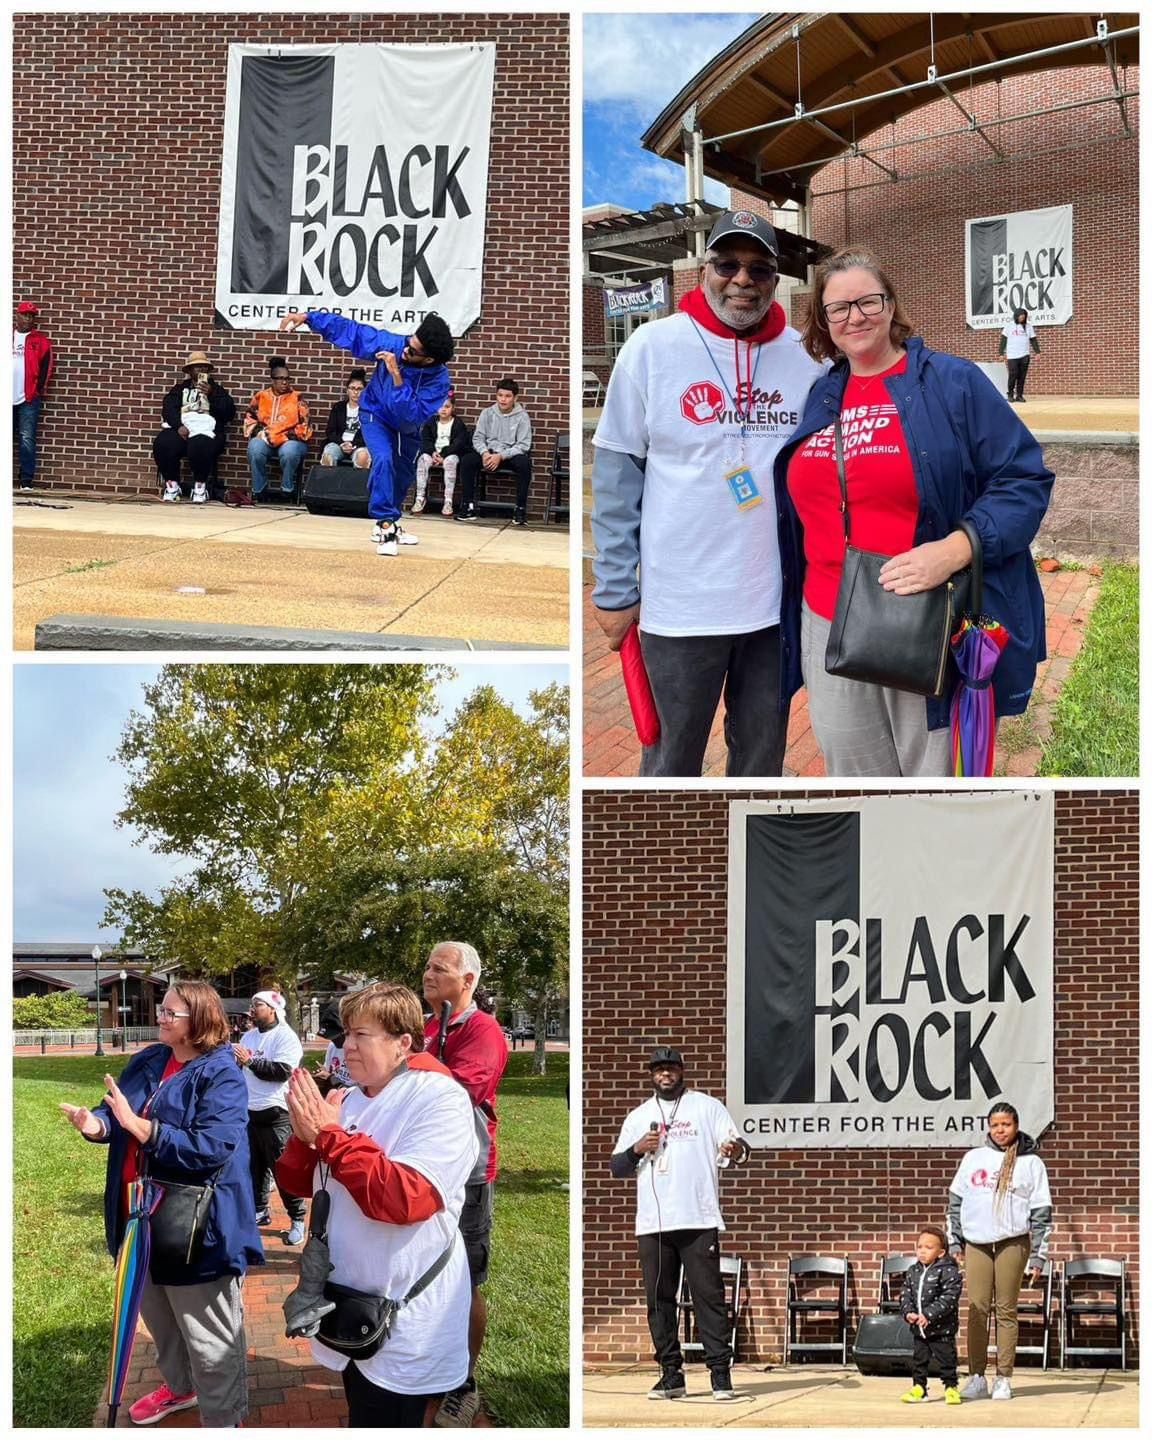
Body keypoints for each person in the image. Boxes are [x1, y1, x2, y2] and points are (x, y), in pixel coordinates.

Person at [775, 247, 1054, 777]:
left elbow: (1024, 479)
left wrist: (955, 549)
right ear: (823, 321)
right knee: (855, 783)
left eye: (867, 301)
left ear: (891, 305)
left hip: (924, 620)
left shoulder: (952, 382)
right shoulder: (821, 395)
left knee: (935, 783)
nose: (854, 316)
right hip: (827, 619)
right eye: (838, 308)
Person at [591, 210, 826, 777]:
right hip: (681, 608)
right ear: (704, 271)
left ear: (777, 279)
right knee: (671, 761)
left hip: (774, 605)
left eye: (759, 269)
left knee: (762, 760)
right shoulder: (651, 346)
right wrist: (616, 587)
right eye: (727, 264)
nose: (742, 280)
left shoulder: (807, 356)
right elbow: (618, 472)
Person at [59, 981, 262, 1427]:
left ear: (201, 1021)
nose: (162, 1018)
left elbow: (212, 1146)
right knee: (159, 1317)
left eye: (172, 1013)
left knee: (209, 1336)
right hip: (137, 1217)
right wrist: (97, 1123)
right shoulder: (150, 1059)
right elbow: (117, 1112)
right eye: (163, 1011)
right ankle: (180, 1387)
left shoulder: (222, 1072)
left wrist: (143, 1128)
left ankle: (223, 1419)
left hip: (196, 1226)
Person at [276, 982, 478, 1428]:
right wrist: (304, 1137)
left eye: (360, 1035)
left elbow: (405, 1198)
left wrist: (328, 1136)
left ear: (403, 1043)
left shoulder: (439, 1098)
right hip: (349, 1300)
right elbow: (295, 1182)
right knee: (361, 1410)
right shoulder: (345, 1099)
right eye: (345, 1034)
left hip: (405, 1308)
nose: (344, 1046)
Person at [610, 1046, 750, 1403]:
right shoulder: (639, 1116)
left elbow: (738, 1146)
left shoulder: (707, 1107)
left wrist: (734, 1150)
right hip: (653, 1223)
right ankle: (671, 1375)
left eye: (671, 1068)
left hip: (698, 1217)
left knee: (709, 1298)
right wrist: (638, 1148)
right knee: (659, 1300)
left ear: (682, 1071)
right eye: (659, 1069)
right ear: (651, 1075)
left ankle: (720, 1375)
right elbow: (617, 1168)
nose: (665, 1074)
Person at [279, 309, 454, 556]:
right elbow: (356, 334)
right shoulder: (396, 345)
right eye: (409, 341)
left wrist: (396, 375)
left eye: (413, 351)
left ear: (428, 360)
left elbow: (410, 414)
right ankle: (386, 526)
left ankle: (390, 518)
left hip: (407, 426)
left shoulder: (439, 381)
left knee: (402, 476)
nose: (406, 350)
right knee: (382, 458)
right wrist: (310, 318)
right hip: (375, 415)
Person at [421, 941, 509, 1428]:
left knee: (466, 1280)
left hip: (468, 1175)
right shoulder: (431, 1026)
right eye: (428, 966)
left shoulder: (483, 1031)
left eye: (440, 968)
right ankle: (431, 1366)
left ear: (468, 980)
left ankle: (464, 1384)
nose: (429, 974)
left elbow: (453, 1094)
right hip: (425, 1171)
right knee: (426, 1269)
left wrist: (403, 1066)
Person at [948, 1101, 1052, 1402]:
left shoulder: (1031, 1162)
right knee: (978, 1307)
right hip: (977, 1242)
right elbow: (955, 1202)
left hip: (1013, 1241)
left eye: (1005, 1124)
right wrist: (955, 1240)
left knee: (1006, 1309)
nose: (1000, 1130)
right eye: (994, 1125)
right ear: (988, 1127)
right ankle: (977, 1376)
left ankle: (1004, 1377)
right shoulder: (973, 1158)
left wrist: (1038, 1256)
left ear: (1016, 1125)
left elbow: (1042, 1212)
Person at [233, 989, 307, 1245]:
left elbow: (280, 1072)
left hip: (276, 1115)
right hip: (250, 1113)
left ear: (273, 1009)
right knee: (255, 1169)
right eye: (252, 1004)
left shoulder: (286, 1037)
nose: (253, 1009)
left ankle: (297, 1218)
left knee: (282, 1170)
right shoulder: (249, 1037)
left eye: (258, 1005)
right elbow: (239, 1067)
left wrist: (250, 1062)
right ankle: (260, 1210)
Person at [153, 351, 237, 503]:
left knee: (200, 443)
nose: (201, 370)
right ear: (190, 371)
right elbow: (168, 409)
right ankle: (172, 485)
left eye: (204, 367)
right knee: (163, 442)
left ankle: (200, 487)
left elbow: (229, 413)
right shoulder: (179, 389)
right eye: (196, 367)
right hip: (183, 429)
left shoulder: (217, 390)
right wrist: (179, 426)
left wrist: (211, 395)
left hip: (207, 432)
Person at [898, 1225, 963, 1405]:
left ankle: (951, 1388)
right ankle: (919, 1388)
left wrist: (928, 1314)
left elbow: (949, 1297)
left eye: (928, 1248)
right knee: (919, 1360)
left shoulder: (948, 1271)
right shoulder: (913, 1271)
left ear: (941, 1252)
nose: (922, 1251)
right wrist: (908, 1312)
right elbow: (905, 1293)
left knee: (947, 1360)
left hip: (942, 1329)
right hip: (919, 1329)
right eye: (919, 1247)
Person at [456, 378, 533, 526]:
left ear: (515, 398)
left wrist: (501, 456)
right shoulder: (487, 413)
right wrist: (485, 453)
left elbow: (523, 445)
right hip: (488, 453)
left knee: (525, 463)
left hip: (509, 454)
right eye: (500, 395)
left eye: (508, 396)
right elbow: (478, 438)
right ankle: (468, 505)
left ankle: (520, 509)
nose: (503, 400)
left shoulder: (522, 416)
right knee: (467, 460)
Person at [243, 356, 313, 501]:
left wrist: (279, 436)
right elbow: (250, 418)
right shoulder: (261, 396)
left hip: (291, 441)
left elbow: (305, 428)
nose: (284, 382)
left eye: (287, 378)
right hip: (266, 441)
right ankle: (259, 490)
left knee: (289, 451)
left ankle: (287, 490)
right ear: (272, 380)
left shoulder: (297, 398)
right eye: (280, 378)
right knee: (254, 448)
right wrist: (259, 432)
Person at [13, 299, 55, 490]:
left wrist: (38, 390)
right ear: (17, 315)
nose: (28, 319)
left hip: (28, 398)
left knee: (27, 438)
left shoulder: (41, 342)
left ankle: (26, 480)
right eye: (25, 315)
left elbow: (47, 368)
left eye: (31, 316)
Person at [413, 395, 469, 517]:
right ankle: (420, 497)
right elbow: (425, 440)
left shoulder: (458, 424)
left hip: (450, 454)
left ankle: (448, 501)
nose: (443, 409)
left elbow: (458, 443)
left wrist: (443, 455)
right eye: (440, 406)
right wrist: (432, 452)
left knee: (450, 463)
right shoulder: (430, 422)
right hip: (432, 453)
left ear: (453, 408)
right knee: (422, 460)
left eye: (447, 406)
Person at [321, 368, 371, 471]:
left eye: (359, 389)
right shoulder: (338, 407)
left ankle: (357, 487)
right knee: (328, 455)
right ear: (347, 390)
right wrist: (342, 443)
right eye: (352, 388)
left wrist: (353, 444)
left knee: (363, 457)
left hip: (359, 445)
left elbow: (369, 433)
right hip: (339, 443)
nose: (355, 392)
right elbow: (330, 431)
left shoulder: (368, 410)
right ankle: (328, 486)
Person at [999, 308, 1040, 402]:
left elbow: (1033, 340)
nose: (1022, 317)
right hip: (1012, 355)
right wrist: (1001, 353)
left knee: (1022, 376)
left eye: (1024, 316)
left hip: (1025, 355)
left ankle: (1019, 395)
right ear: (1016, 316)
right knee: (1013, 375)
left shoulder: (1029, 327)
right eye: (1021, 316)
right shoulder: (1009, 326)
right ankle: (1010, 394)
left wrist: (1037, 352)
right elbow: (1003, 340)